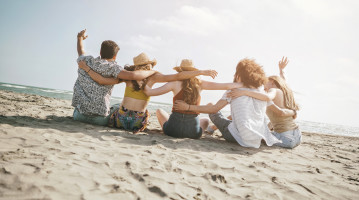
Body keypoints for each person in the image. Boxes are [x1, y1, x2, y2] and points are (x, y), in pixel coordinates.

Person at [78, 53, 218, 133]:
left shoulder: (128, 76)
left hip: (120, 122)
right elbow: (178, 76)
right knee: (145, 112)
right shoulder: (154, 76)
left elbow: (102, 80)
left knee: (115, 107)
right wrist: (201, 72)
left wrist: (86, 69)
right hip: (137, 124)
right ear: (149, 65)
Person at [174, 58, 295, 148]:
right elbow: (282, 85)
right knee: (240, 118)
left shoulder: (233, 90)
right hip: (255, 139)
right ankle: (212, 128)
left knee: (212, 106)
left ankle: (211, 128)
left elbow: (214, 109)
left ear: (239, 75)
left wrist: (188, 107)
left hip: (235, 137)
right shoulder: (261, 91)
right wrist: (281, 71)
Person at [73, 29, 156, 126]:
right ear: (115, 56)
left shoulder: (85, 61)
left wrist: (79, 38)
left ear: (100, 52)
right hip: (100, 120)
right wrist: (152, 71)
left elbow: (81, 51)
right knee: (118, 106)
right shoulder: (114, 68)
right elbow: (132, 76)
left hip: (79, 116)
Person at [143, 59, 243, 139]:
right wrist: (243, 84)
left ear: (181, 71)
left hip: (172, 131)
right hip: (193, 133)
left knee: (159, 111)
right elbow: (225, 86)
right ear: (194, 72)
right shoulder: (200, 84)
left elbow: (149, 92)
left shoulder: (174, 83)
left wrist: (146, 82)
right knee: (205, 120)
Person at [227, 57, 301, 148]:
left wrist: (244, 92)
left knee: (254, 137)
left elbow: (267, 97)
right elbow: (283, 81)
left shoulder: (273, 90)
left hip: (285, 138)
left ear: (272, 82)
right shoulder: (283, 93)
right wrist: (282, 70)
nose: (262, 85)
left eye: (265, 82)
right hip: (297, 136)